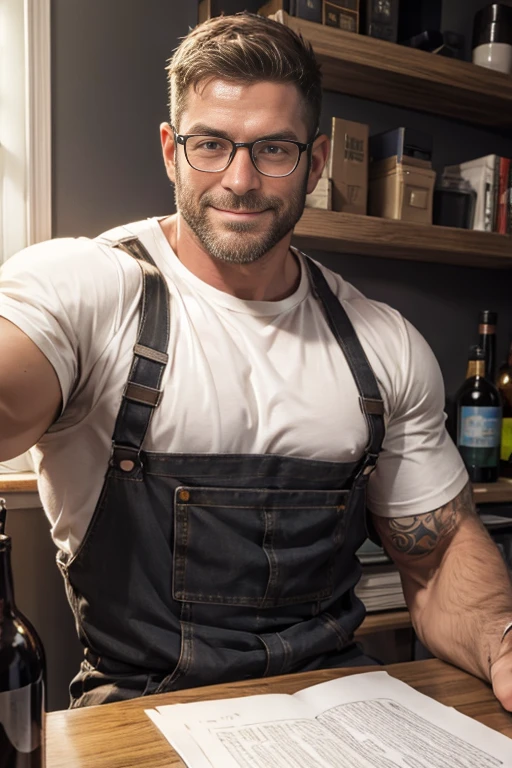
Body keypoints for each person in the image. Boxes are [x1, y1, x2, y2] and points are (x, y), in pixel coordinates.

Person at [1, 12, 511, 711]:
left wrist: (504, 644)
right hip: (144, 711)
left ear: (317, 162)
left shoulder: (383, 343)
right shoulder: (87, 289)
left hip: (342, 703)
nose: (240, 180)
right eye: (210, 144)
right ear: (171, 151)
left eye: (274, 149)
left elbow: (441, 554)